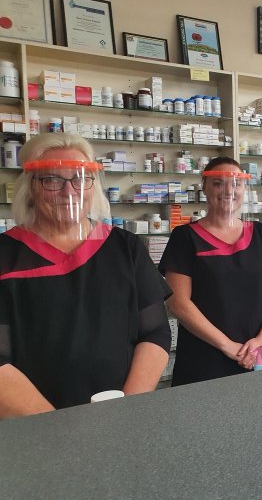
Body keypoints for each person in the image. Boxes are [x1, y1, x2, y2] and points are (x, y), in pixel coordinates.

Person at [0, 133, 171, 418]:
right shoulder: (5, 256)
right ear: (30, 187)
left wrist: (126, 410)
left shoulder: (125, 247)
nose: (70, 193)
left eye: (80, 179)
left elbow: (154, 332)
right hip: (33, 427)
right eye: (52, 180)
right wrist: (59, 428)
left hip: (119, 418)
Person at [159, 157, 262, 386]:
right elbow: (177, 302)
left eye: (236, 183)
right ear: (204, 188)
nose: (228, 190)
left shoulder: (260, 234)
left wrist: (261, 340)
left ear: (244, 189)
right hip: (204, 358)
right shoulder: (185, 237)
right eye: (218, 183)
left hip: (256, 354)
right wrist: (229, 346)